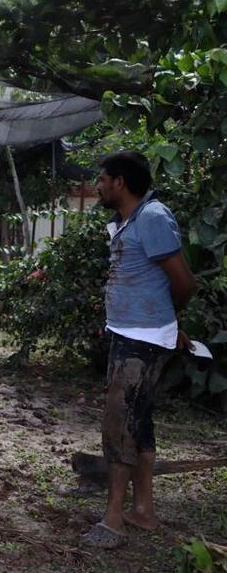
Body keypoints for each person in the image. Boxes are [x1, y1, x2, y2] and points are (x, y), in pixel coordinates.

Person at [82, 151, 195, 549]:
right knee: (140, 421)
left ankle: (113, 519)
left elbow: (183, 281)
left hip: (142, 338)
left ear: (120, 183)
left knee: (120, 424)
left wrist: (168, 321)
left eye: (102, 179)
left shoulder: (152, 218)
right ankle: (143, 510)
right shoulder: (127, 221)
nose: (97, 186)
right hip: (132, 332)